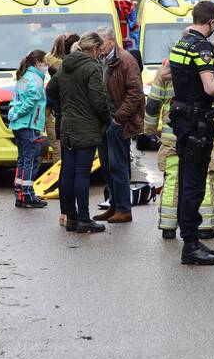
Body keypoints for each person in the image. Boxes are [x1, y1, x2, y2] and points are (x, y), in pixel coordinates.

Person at [168, 0, 214, 265]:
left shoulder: (180, 44)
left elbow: (167, 74)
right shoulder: (202, 47)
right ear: (212, 22)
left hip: (182, 121)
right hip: (198, 122)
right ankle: (190, 245)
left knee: (187, 178)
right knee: (194, 184)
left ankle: (191, 239)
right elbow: (209, 87)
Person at [146, 60, 214, 239]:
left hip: (173, 135)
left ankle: (168, 226)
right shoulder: (213, 66)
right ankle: (204, 226)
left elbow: (153, 103)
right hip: (205, 135)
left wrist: (149, 129)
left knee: (172, 179)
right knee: (205, 178)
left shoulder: (168, 66)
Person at [50, 32, 112, 233]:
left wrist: (63, 108)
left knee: (67, 173)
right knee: (82, 174)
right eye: (99, 50)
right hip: (86, 127)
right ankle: (84, 219)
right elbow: (98, 100)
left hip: (67, 127)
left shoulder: (64, 66)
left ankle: (71, 218)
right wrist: (106, 120)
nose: (100, 53)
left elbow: (50, 91)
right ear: (93, 49)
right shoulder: (92, 67)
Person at [92, 26, 145, 224]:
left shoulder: (125, 60)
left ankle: (124, 209)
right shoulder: (101, 59)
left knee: (118, 166)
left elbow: (135, 93)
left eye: (101, 42)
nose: (99, 46)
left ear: (112, 41)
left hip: (118, 122)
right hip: (105, 122)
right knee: (107, 167)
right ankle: (114, 205)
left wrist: (119, 118)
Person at [8, 49, 50, 209]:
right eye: (45, 63)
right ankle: (28, 195)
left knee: (22, 159)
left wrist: (14, 113)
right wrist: (19, 113)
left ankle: (20, 193)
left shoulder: (23, 76)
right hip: (29, 124)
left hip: (18, 125)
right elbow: (32, 101)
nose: (46, 66)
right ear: (38, 63)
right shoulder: (36, 79)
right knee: (31, 160)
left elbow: (16, 98)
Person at [46, 33, 79, 226]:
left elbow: (49, 99)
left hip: (61, 122)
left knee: (65, 169)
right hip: (78, 124)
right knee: (79, 171)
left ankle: (65, 213)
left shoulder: (55, 73)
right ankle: (78, 214)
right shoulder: (79, 71)